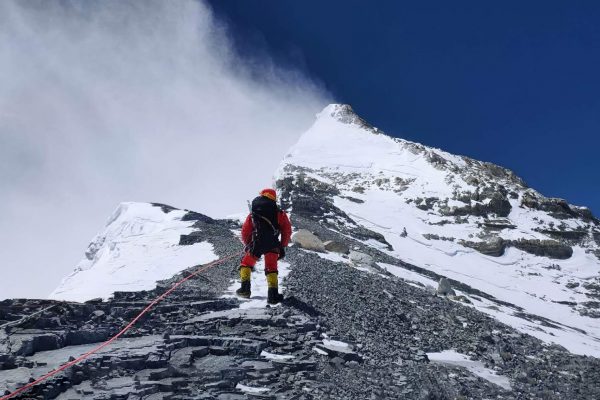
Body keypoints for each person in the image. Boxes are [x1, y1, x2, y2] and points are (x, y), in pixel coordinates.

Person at [237, 188, 292, 304]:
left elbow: (245, 230)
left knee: (246, 264)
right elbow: (286, 231)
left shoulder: (254, 212)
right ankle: (273, 296)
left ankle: (245, 290)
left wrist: (248, 244)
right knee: (271, 268)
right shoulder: (279, 213)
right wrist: (282, 245)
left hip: (257, 243)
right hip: (273, 244)